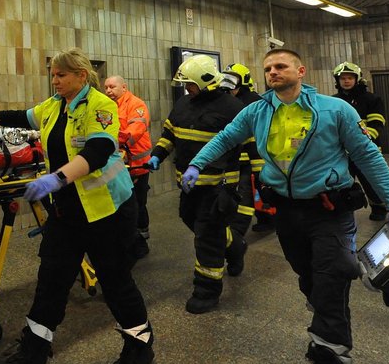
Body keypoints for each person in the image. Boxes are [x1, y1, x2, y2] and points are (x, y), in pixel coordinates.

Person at [183, 49, 389, 364]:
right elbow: (225, 138)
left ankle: (331, 360)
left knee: (332, 276)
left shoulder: (335, 109)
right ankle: (324, 319)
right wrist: (197, 163)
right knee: (308, 278)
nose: (273, 72)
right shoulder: (257, 111)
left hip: (329, 211)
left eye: (280, 66)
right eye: (268, 69)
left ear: (301, 70)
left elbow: (368, 156)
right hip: (287, 213)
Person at [0, 48, 154, 364]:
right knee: (51, 281)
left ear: (81, 76)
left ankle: (140, 344)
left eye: (61, 74)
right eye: (53, 74)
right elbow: (22, 116)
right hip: (67, 211)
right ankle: (32, 357)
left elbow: (100, 151)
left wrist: (56, 178)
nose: (55, 80)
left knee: (116, 282)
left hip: (108, 212)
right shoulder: (54, 105)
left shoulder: (100, 106)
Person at [148, 55, 248, 314]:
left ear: (205, 82)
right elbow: (170, 133)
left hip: (217, 184)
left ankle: (206, 291)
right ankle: (235, 245)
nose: (186, 89)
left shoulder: (232, 108)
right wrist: (158, 155)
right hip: (188, 185)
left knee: (207, 237)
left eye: (190, 84)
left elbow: (246, 148)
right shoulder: (183, 104)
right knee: (189, 219)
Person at [104, 75, 153, 259]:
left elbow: (137, 129)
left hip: (137, 165)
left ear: (123, 87)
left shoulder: (136, 104)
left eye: (112, 87)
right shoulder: (107, 105)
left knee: (137, 203)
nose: (108, 90)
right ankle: (128, 240)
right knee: (123, 203)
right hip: (119, 164)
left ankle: (140, 241)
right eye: (106, 87)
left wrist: (117, 141)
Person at [332, 62, 388, 221]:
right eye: (342, 78)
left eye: (350, 78)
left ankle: (378, 207)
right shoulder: (334, 101)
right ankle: (344, 208)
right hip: (342, 152)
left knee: (371, 181)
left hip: (366, 150)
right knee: (342, 182)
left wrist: (363, 142)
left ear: (357, 79)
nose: (346, 81)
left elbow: (377, 123)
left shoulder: (371, 99)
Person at [220, 63, 271, 233]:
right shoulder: (227, 100)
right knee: (239, 191)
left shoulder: (254, 101)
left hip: (252, 156)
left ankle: (240, 230)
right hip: (234, 157)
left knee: (248, 190)